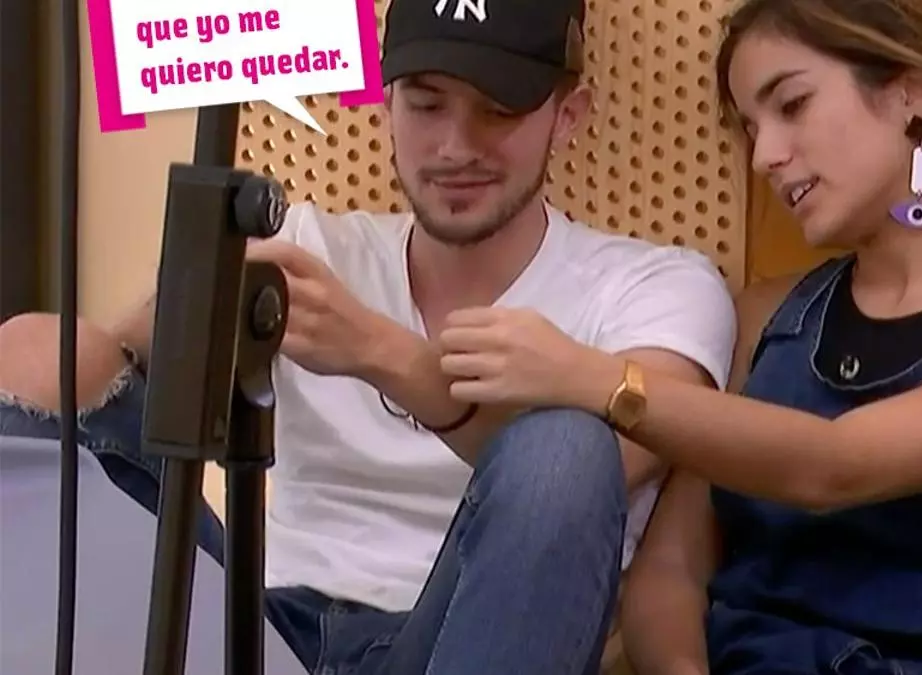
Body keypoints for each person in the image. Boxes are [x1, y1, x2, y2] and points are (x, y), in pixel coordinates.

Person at [0, 0, 737, 672]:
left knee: (566, 447)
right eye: (426, 103)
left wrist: (381, 352)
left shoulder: (655, 286)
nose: (455, 145)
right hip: (263, 629)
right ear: (387, 103)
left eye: (498, 110)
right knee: (36, 352)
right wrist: (193, 301)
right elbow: (108, 367)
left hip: (453, 639)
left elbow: (598, 471)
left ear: (567, 115)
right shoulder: (309, 247)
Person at [429, 0, 922, 673]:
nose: (764, 155)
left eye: (791, 105)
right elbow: (669, 571)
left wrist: (593, 378)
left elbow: (835, 466)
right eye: (750, 127)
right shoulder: (770, 318)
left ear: (913, 93)